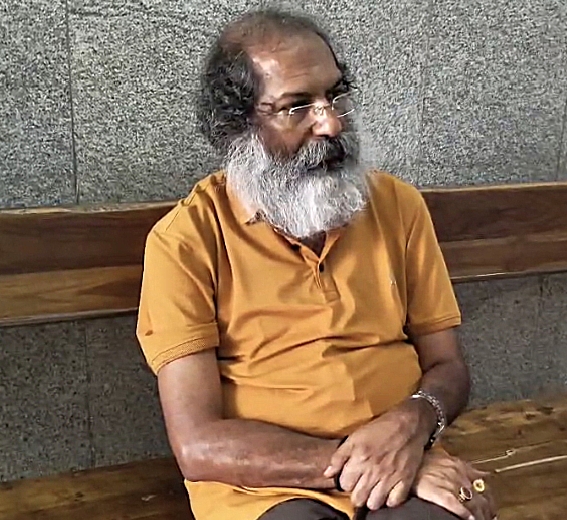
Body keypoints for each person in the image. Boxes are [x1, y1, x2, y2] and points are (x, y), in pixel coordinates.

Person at [136, 8, 497, 520]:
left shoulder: (398, 207)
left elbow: (448, 367)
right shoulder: (185, 243)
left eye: (336, 94)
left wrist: (414, 424)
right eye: (297, 106)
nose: (331, 123)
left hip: (402, 463)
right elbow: (198, 445)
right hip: (266, 489)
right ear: (238, 127)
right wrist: (372, 462)